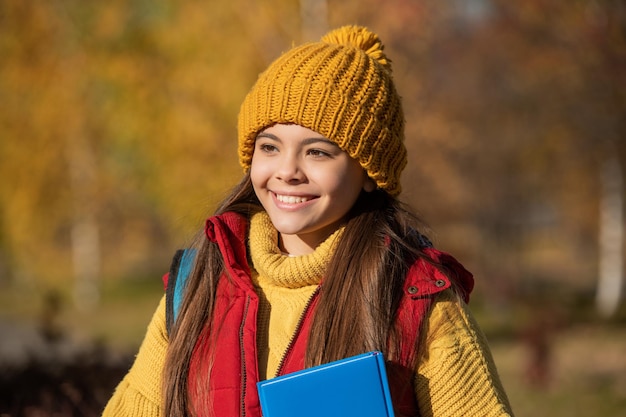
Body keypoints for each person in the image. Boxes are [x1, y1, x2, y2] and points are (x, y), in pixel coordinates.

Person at [102, 25, 514, 417]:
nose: (287, 170)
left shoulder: (416, 298)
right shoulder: (199, 282)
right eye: (270, 146)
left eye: (317, 152)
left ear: (370, 173)